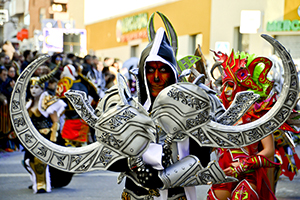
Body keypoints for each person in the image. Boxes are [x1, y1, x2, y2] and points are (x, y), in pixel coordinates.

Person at [207, 50, 280, 200]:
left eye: (231, 85)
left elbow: (269, 151)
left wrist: (242, 165)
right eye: (224, 85)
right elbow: (211, 146)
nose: (226, 91)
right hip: (223, 175)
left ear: (242, 86)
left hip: (247, 177)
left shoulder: (258, 114)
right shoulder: (218, 113)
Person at [23, 68, 72, 193]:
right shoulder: (29, 103)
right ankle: (37, 180)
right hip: (34, 137)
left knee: (42, 160)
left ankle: (43, 184)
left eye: (37, 87)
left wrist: (53, 138)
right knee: (28, 160)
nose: (33, 90)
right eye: (31, 87)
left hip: (47, 136)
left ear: (42, 88)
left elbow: (55, 121)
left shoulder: (47, 102)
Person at [56, 63, 99, 147]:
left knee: (71, 144)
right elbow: (96, 97)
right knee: (83, 144)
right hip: (82, 117)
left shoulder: (66, 83)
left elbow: (60, 97)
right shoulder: (84, 83)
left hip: (73, 118)